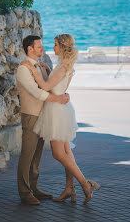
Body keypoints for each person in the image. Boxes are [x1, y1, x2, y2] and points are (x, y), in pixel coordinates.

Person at [21, 34, 100, 204]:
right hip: (62, 109)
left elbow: (45, 87)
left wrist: (33, 69)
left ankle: (85, 184)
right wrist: (49, 72)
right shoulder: (65, 66)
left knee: (58, 153)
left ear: (63, 47)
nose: (53, 47)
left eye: (55, 45)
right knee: (67, 151)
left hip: (56, 112)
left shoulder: (62, 67)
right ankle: (69, 189)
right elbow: (60, 86)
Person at [16, 35, 70, 205]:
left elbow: (50, 86)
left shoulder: (39, 66)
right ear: (29, 49)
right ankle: (25, 193)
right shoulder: (23, 69)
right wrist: (59, 100)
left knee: (37, 155)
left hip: (43, 116)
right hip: (31, 116)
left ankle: (34, 187)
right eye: (38, 47)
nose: (43, 49)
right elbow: (37, 92)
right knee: (27, 155)